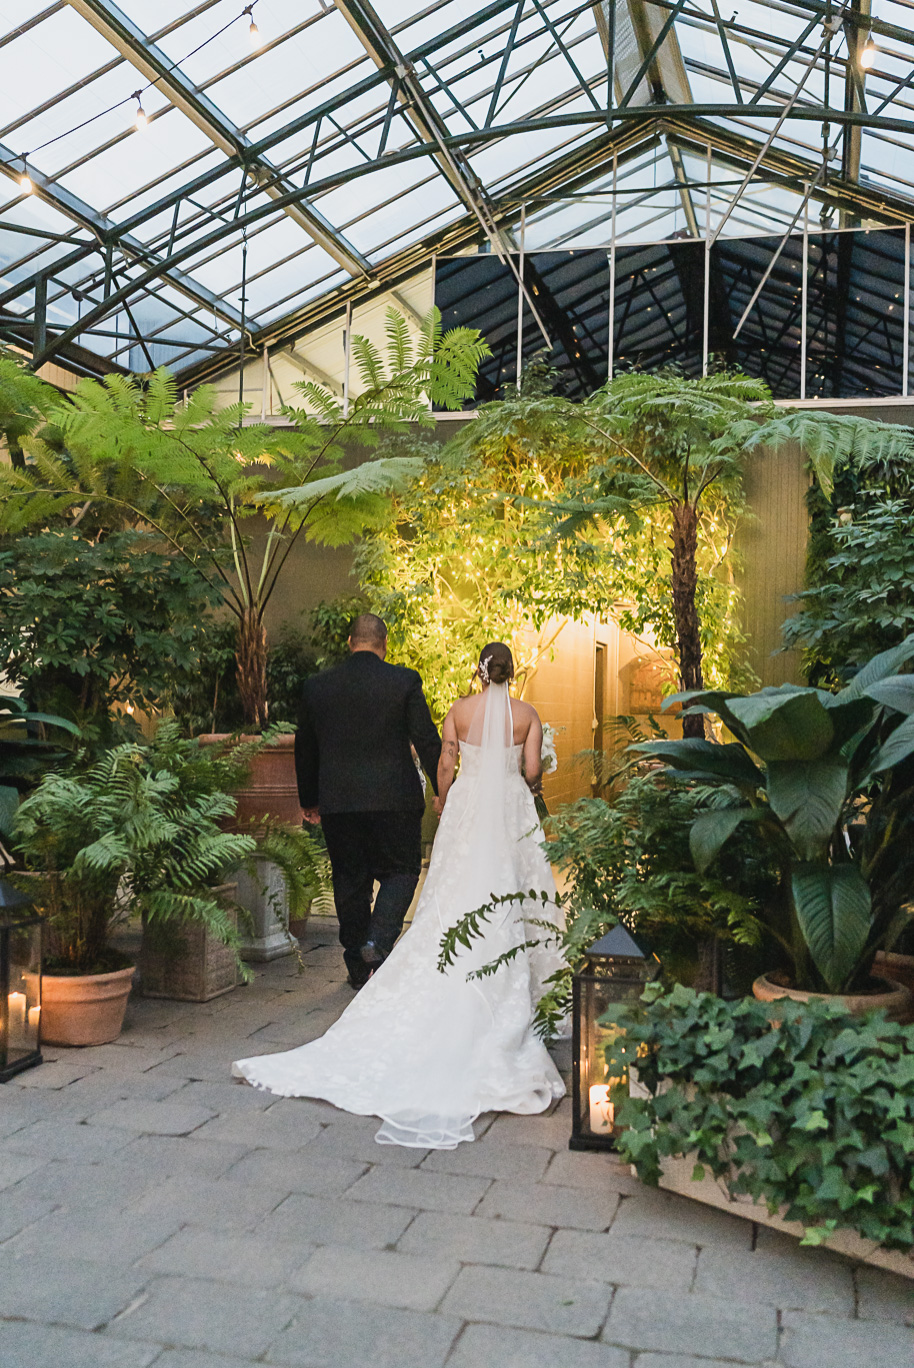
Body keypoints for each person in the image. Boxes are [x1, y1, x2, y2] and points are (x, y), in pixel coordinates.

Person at [233, 641, 565, 1149]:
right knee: (511, 892)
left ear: (479, 672)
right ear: (511, 673)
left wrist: (446, 800)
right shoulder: (527, 715)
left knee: (438, 893)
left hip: (460, 811)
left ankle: (377, 952)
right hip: (507, 810)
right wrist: (524, 783)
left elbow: (446, 765)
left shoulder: (458, 710)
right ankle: (501, 976)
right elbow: (534, 773)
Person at [293, 612, 441, 990]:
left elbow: (305, 748)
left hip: (339, 802)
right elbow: (425, 738)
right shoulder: (404, 681)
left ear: (349, 643)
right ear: (384, 644)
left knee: (349, 879)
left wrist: (309, 799)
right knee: (403, 871)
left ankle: (358, 964)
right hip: (396, 800)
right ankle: (378, 940)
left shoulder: (317, 687)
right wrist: (444, 788)